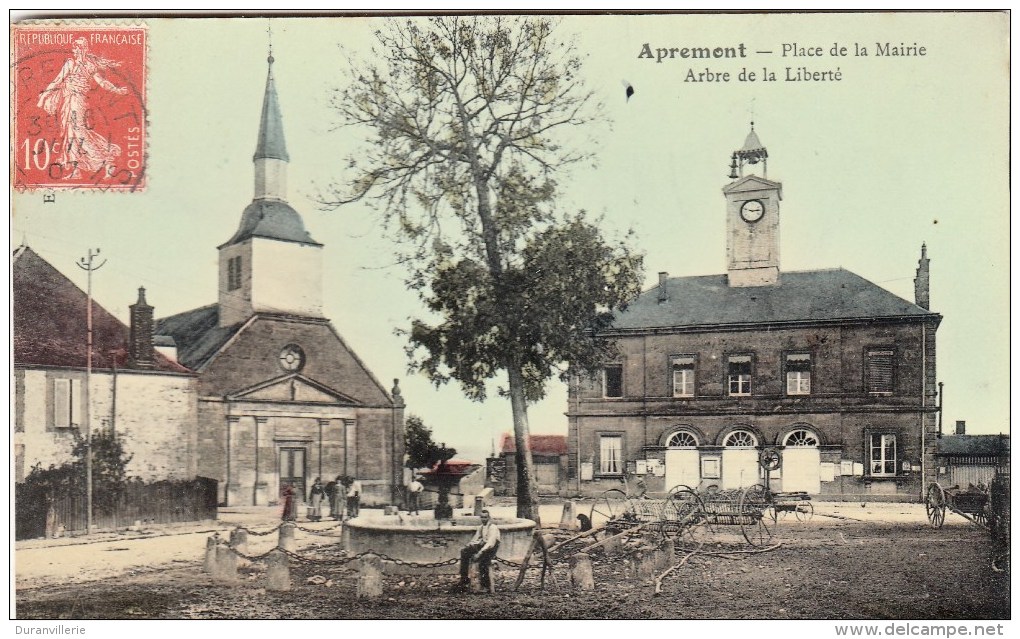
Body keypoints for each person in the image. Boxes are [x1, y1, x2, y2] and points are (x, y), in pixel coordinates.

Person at [37, 37, 128, 178]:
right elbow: (57, 81)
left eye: (76, 48)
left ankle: (106, 161)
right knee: (70, 134)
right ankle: (76, 171)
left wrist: (117, 90)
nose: (74, 51)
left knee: (78, 134)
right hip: (69, 102)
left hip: (77, 102)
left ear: (81, 49)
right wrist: (43, 96)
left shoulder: (87, 65)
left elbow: (102, 82)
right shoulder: (71, 64)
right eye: (74, 48)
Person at [454, 509, 501, 592]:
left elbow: (490, 543)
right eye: (482, 517)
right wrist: (468, 546)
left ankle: (486, 586)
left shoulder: (493, 528)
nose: (484, 519)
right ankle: (464, 579)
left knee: (483, 562)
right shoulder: (481, 527)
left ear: (489, 518)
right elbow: (475, 539)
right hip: (483, 546)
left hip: (490, 549)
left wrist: (479, 553)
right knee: (464, 552)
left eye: (485, 517)